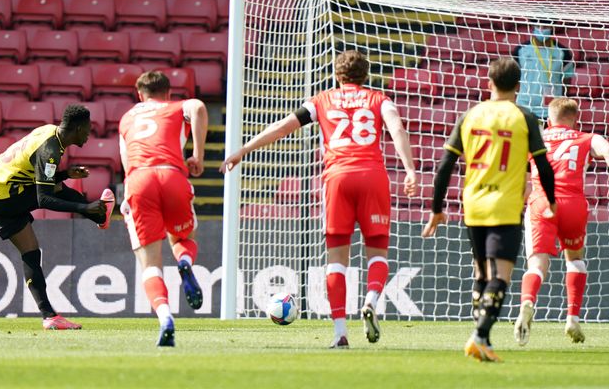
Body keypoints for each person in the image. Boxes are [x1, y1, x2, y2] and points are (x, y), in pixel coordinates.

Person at [221, 50, 418, 349]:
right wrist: (410, 170)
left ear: (337, 76)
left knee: (336, 260)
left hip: (337, 178)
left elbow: (283, 127)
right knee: (377, 253)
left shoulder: (321, 100)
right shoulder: (379, 99)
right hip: (372, 176)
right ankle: (371, 300)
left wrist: (242, 150)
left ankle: (340, 332)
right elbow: (397, 129)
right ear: (365, 75)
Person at [422, 57, 557, 362]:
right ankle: (479, 335)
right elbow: (543, 165)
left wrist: (436, 208)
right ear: (519, 87)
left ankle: (481, 339)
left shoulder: (471, 115)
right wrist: (551, 199)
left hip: (474, 204)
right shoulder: (524, 117)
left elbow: (445, 166)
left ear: (489, 83)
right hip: (505, 206)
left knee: (481, 272)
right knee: (502, 276)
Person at [0, 104, 115, 330]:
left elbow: (39, 172)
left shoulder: (50, 132)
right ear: (78, 128)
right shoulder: (50, 150)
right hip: (4, 195)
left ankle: (49, 317)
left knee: (31, 252)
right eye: (88, 128)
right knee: (58, 190)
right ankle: (99, 214)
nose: (90, 134)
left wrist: (64, 173)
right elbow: (44, 199)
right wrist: (84, 208)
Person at [514, 97, 609, 346]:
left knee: (537, 264)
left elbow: (523, 178)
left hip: (542, 201)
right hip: (573, 204)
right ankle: (572, 317)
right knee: (576, 260)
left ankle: (527, 302)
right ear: (575, 119)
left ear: (549, 119)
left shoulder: (535, 139)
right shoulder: (587, 137)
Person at [119, 71, 208, 347]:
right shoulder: (175, 107)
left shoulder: (128, 118)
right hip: (171, 174)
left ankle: (165, 316)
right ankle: (184, 263)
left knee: (150, 264)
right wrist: (198, 154)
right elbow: (199, 107)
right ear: (168, 93)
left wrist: (127, 194)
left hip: (139, 179)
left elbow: (126, 160)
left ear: (139, 94)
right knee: (183, 239)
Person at [512, 20, 574, 120]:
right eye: (538, 26)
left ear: (552, 28)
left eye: (545, 27)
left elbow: (567, 80)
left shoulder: (563, 52)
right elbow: (514, 79)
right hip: (524, 108)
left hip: (552, 110)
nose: (541, 30)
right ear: (532, 27)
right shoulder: (520, 50)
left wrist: (560, 102)